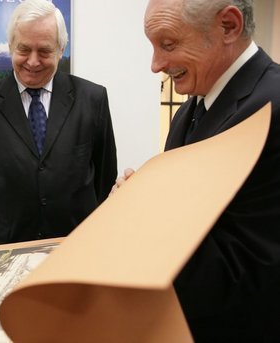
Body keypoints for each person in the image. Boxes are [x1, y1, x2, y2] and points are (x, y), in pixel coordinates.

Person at [113, 0, 280, 341]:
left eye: (168, 44)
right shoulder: (191, 108)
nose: (155, 64)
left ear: (228, 26)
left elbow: (254, 274)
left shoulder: (271, 111)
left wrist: (141, 215)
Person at [0, 0, 118, 245]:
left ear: (61, 50)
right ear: (10, 47)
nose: (33, 61)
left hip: (78, 245)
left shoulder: (93, 99)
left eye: (45, 51)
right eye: (24, 49)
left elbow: (104, 175)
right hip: (12, 247)